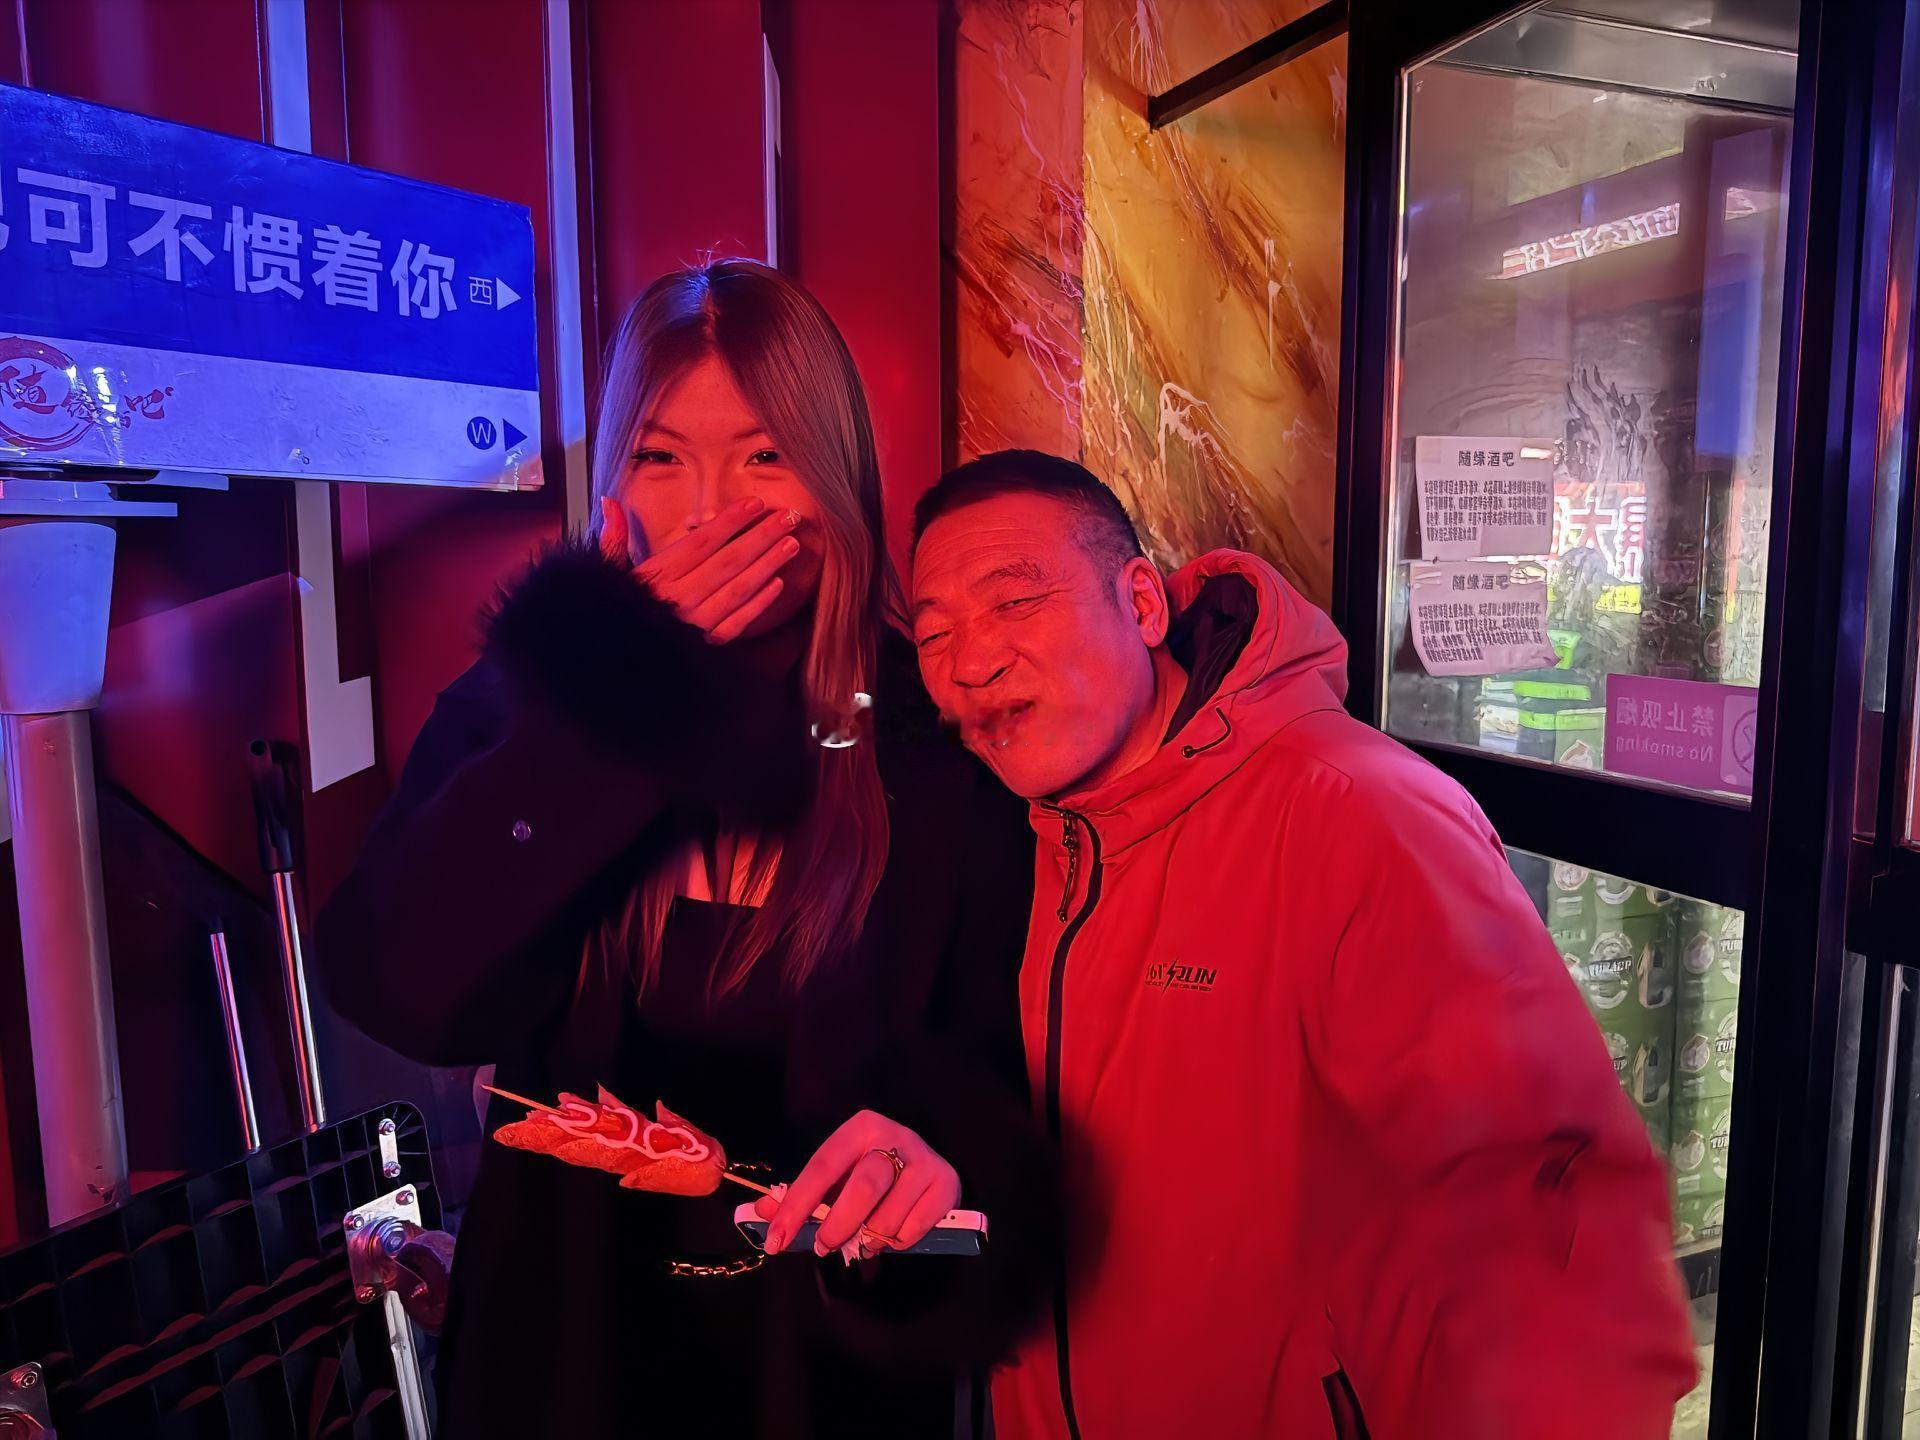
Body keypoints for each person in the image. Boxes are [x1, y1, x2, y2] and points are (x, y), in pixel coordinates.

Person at [316, 264, 1051, 1439]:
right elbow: (402, 990)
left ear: (837, 477)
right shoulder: (526, 703)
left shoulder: (930, 739)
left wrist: (938, 1158)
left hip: (823, 1381)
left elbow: (1007, 1077)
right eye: (661, 457)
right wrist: (615, 704)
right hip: (560, 1367)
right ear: (616, 487)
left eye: (767, 456)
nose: (714, 510)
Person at [897, 449, 1698, 1438]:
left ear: (1141, 603)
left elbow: (1560, 1226)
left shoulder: (1358, 814)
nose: (971, 663)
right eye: (935, 635)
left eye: (1015, 603)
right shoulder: (1023, 838)